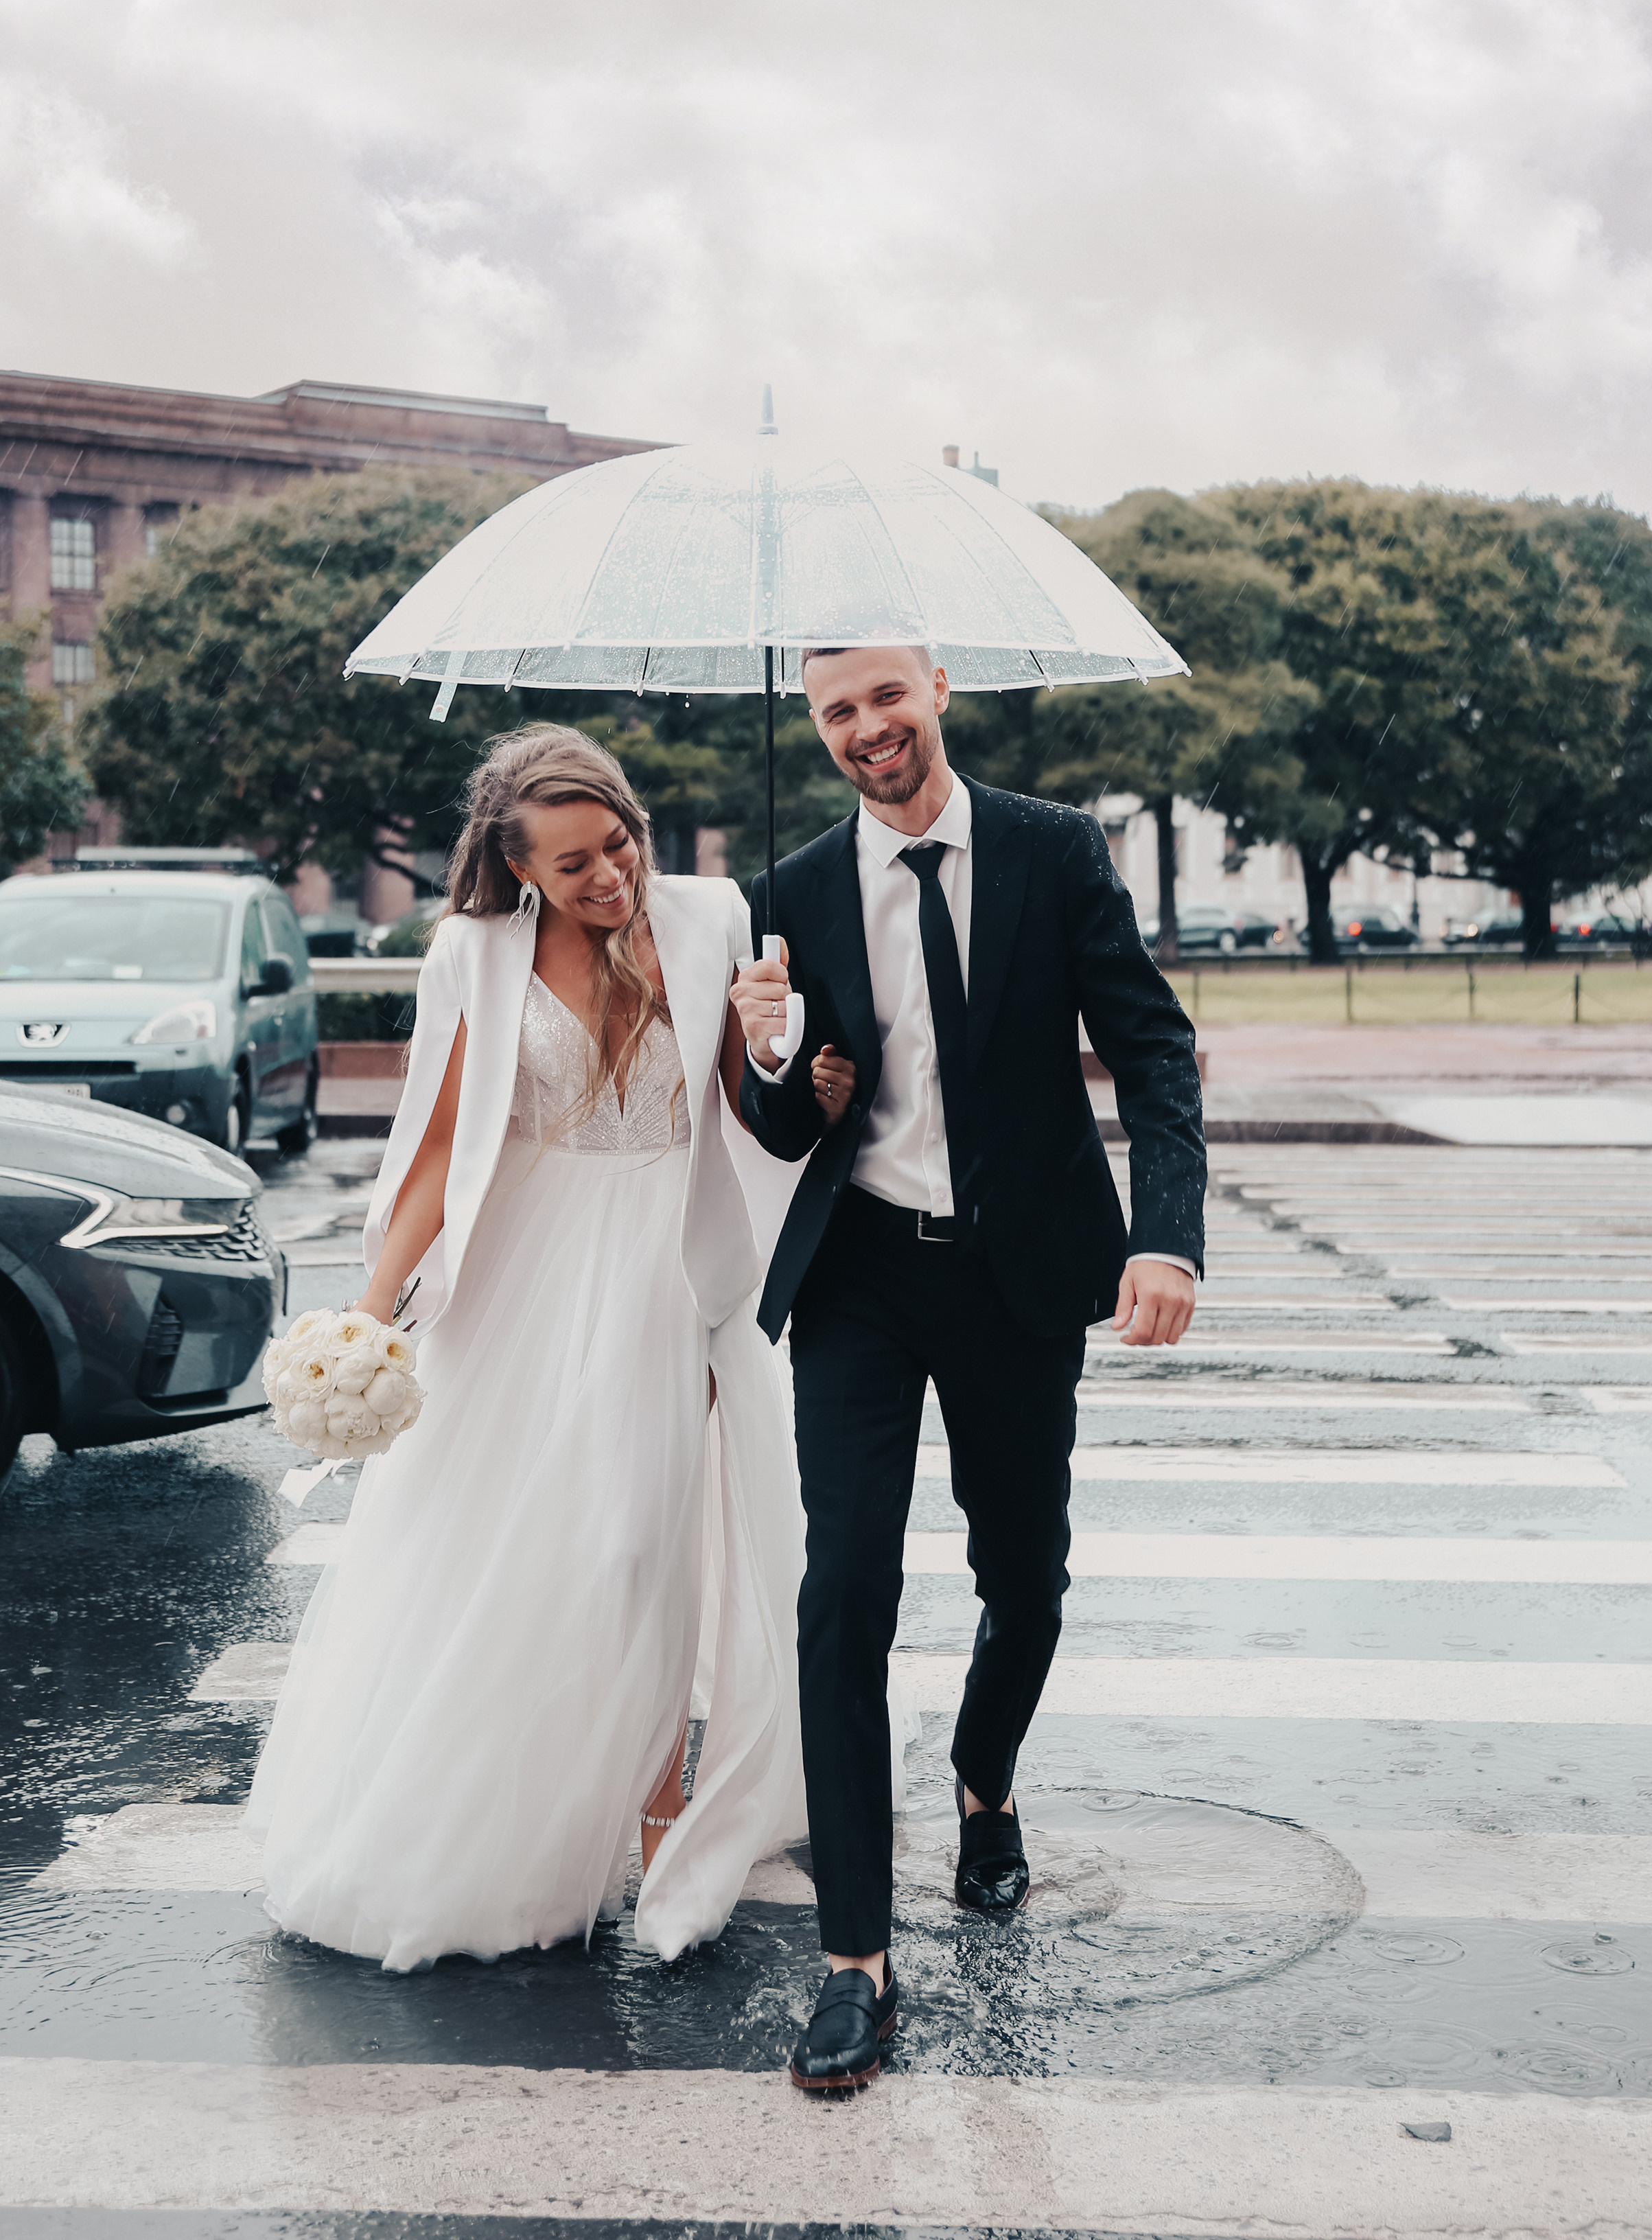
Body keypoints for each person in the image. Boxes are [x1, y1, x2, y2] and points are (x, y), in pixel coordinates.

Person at [246, 727, 845, 1970]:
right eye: (572, 864)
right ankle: (517, 1820)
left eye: (617, 841)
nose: (609, 874)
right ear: (517, 869)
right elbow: (438, 1144)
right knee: (512, 1554)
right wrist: (370, 1308)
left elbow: (758, 1108)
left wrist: (770, 1038)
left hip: (671, 1273)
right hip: (523, 1275)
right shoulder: (474, 949)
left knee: (643, 1546)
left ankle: (665, 1822)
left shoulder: (714, 914)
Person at [732, 646, 1205, 2092]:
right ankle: (852, 1961)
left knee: (1025, 1577)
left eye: (885, 697)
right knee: (843, 1592)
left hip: (1019, 1275)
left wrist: (1164, 1238)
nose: (866, 730)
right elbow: (778, 1128)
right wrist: (769, 1065)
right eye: (834, 711)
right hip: (862, 1277)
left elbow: (1152, 1049)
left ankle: (984, 1785)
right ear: (815, 728)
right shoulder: (790, 890)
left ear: (934, 687)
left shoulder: (1055, 849)